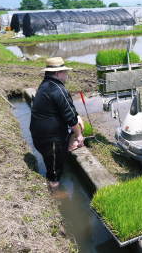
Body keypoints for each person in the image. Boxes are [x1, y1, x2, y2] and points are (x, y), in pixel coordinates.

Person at [30, 57, 84, 189]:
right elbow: (71, 118)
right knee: (54, 171)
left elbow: (69, 111)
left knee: (79, 121)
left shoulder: (45, 84)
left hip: (38, 134)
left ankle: (67, 146)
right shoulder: (58, 90)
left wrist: (77, 120)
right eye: (65, 72)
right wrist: (79, 136)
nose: (67, 75)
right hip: (50, 140)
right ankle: (55, 192)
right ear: (58, 73)